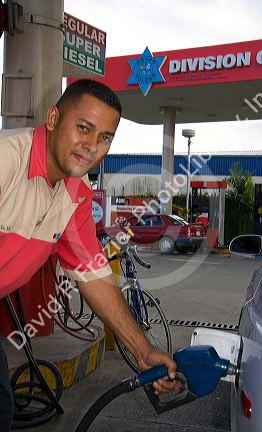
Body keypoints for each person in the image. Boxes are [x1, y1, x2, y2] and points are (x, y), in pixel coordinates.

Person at [0, 79, 180, 431]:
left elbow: (95, 277)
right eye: (83, 128)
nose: (91, 146)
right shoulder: (7, 160)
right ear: (53, 118)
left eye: (105, 137)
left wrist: (143, 351)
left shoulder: (76, 195)